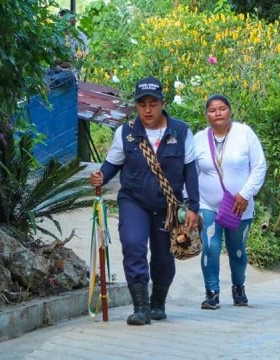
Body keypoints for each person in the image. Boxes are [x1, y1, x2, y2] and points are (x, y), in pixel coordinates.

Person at [89, 77, 200, 325]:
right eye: (142, 104)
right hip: (134, 200)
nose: (147, 110)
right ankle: (141, 307)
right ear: (136, 105)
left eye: (153, 103)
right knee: (132, 244)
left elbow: (190, 170)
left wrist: (193, 206)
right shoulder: (127, 132)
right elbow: (112, 164)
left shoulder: (180, 131)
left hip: (168, 205)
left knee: (163, 255)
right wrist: (100, 176)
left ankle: (158, 302)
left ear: (162, 103)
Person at [194, 94, 267, 309]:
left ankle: (238, 288)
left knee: (237, 249)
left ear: (230, 111)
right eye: (212, 110)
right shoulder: (198, 139)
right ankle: (212, 293)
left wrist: (245, 194)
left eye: (222, 108)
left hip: (239, 205)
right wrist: (191, 204)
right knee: (210, 247)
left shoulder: (245, 134)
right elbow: (190, 171)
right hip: (208, 204)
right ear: (206, 114)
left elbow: (259, 166)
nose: (217, 113)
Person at [57, 9, 89, 79]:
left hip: (73, 75)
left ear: (73, 21)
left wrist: (72, 62)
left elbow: (84, 55)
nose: (64, 23)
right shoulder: (56, 36)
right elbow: (49, 55)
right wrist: (58, 62)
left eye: (67, 20)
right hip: (55, 75)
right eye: (62, 21)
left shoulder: (80, 36)